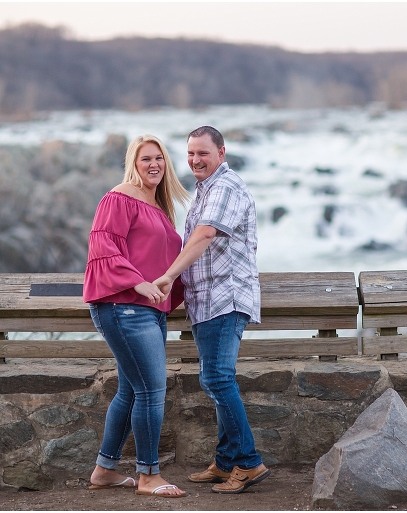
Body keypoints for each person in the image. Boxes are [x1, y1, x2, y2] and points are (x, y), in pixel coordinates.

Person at [153, 126, 270, 494]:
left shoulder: (225, 187)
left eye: (203, 153)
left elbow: (203, 235)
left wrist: (169, 276)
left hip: (225, 298)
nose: (195, 160)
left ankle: (249, 463)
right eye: (190, 154)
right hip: (206, 301)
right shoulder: (205, 189)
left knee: (218, 378)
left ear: (221, 152)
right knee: (215, 378)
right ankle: (225, 463)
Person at [83, 134, 191, 498]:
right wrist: (138, 283)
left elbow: (163, 259)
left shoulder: (157, 206)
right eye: (146, 159)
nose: (154, 165)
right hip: (124, 307)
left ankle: (104, 471)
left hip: (147, 310)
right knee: (151, 391)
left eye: (159, 158)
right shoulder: (120, 196)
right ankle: (148, 476)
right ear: (134, 162)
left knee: (131, 390)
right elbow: (103, 245)